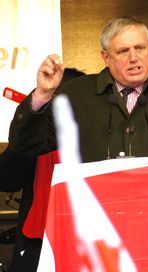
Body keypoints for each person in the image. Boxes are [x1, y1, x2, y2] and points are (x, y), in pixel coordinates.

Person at [6, 16, 148, 271]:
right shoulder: (76, 95)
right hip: (96, 234)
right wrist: (42, 95)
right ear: (105, 57)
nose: (134, 57)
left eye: (140, 48)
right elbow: (26, 144)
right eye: (123, 51)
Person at [0, 68, 86, 272]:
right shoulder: (34, 140)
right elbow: (5, 179)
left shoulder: (96, 137)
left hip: (85, 242)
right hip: (37, 246)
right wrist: (30, 130)